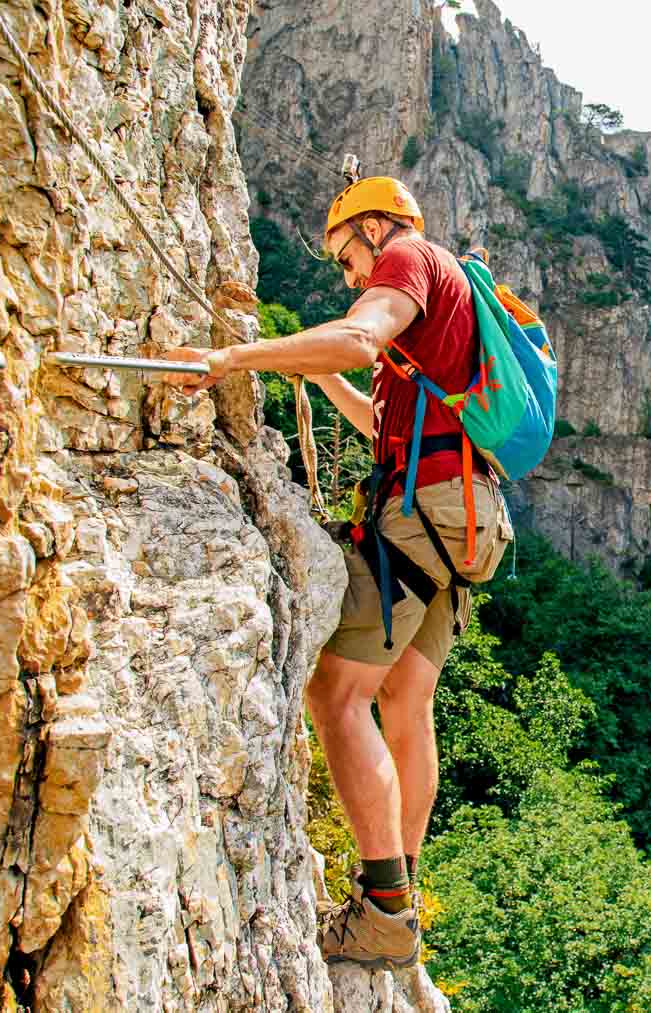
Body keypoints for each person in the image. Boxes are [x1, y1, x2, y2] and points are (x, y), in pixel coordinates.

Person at [161, 176, 512, 969]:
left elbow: (358, 335)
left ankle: (385, 911)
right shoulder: (444, 307)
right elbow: (381, 419)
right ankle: (400, 891)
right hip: (467, 515)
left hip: (424, 511)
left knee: (335, 691)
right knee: (404, 700)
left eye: (347, 254)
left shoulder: (411, 261)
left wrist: (230, 358)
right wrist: (312, 373)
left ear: (379, 227)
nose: (349, 274)